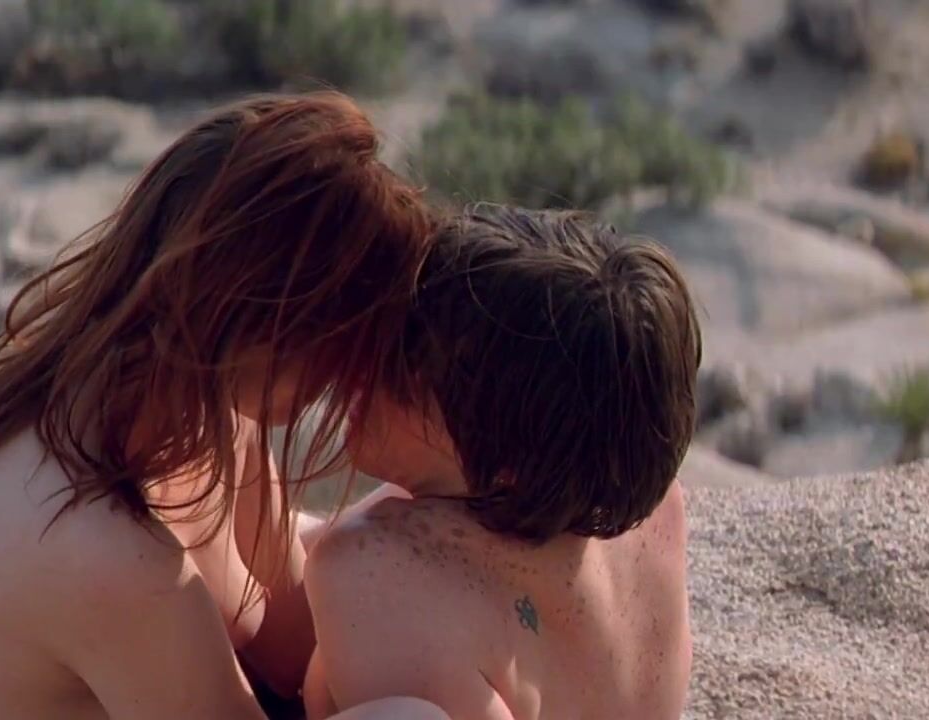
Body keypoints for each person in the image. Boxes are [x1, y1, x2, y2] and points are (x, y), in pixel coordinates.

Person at [0, 92, 448, 720]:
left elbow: (293, 646)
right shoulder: (111, 558)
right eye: (344, 332)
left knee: (368, 557)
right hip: (76, 598)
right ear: (263, 317)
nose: (349, 370)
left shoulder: (207, 421)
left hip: (71, 607)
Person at [300, 205, 703, 720]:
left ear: (509, 453)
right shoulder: (650, 513)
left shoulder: (375, 569)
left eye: (410, 367)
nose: (364, 367)